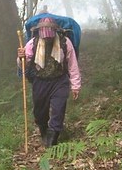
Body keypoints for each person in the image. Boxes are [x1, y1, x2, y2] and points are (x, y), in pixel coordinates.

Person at [17, 16, 81, 147]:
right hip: (40, 81)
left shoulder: (65, 42)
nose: (47, 39)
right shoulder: (32, 43)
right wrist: (20, 58)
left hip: (59, 80)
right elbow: (24, 63)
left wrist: (75, 85)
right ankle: (44, 130)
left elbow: (72, 64)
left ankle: (53, 138)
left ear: (55, 31)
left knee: (59, 107)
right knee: (40, 112)